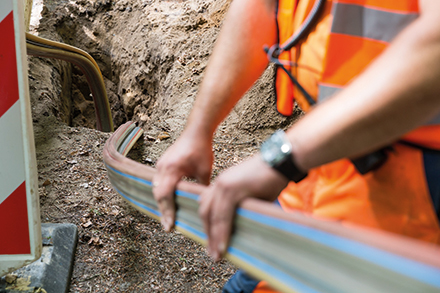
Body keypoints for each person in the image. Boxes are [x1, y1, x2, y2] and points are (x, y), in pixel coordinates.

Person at [153, 0, 440, 292]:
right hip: (322, 164)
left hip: (415, 194)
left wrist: (281, 158)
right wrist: (198, 130)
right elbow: (261, 7)